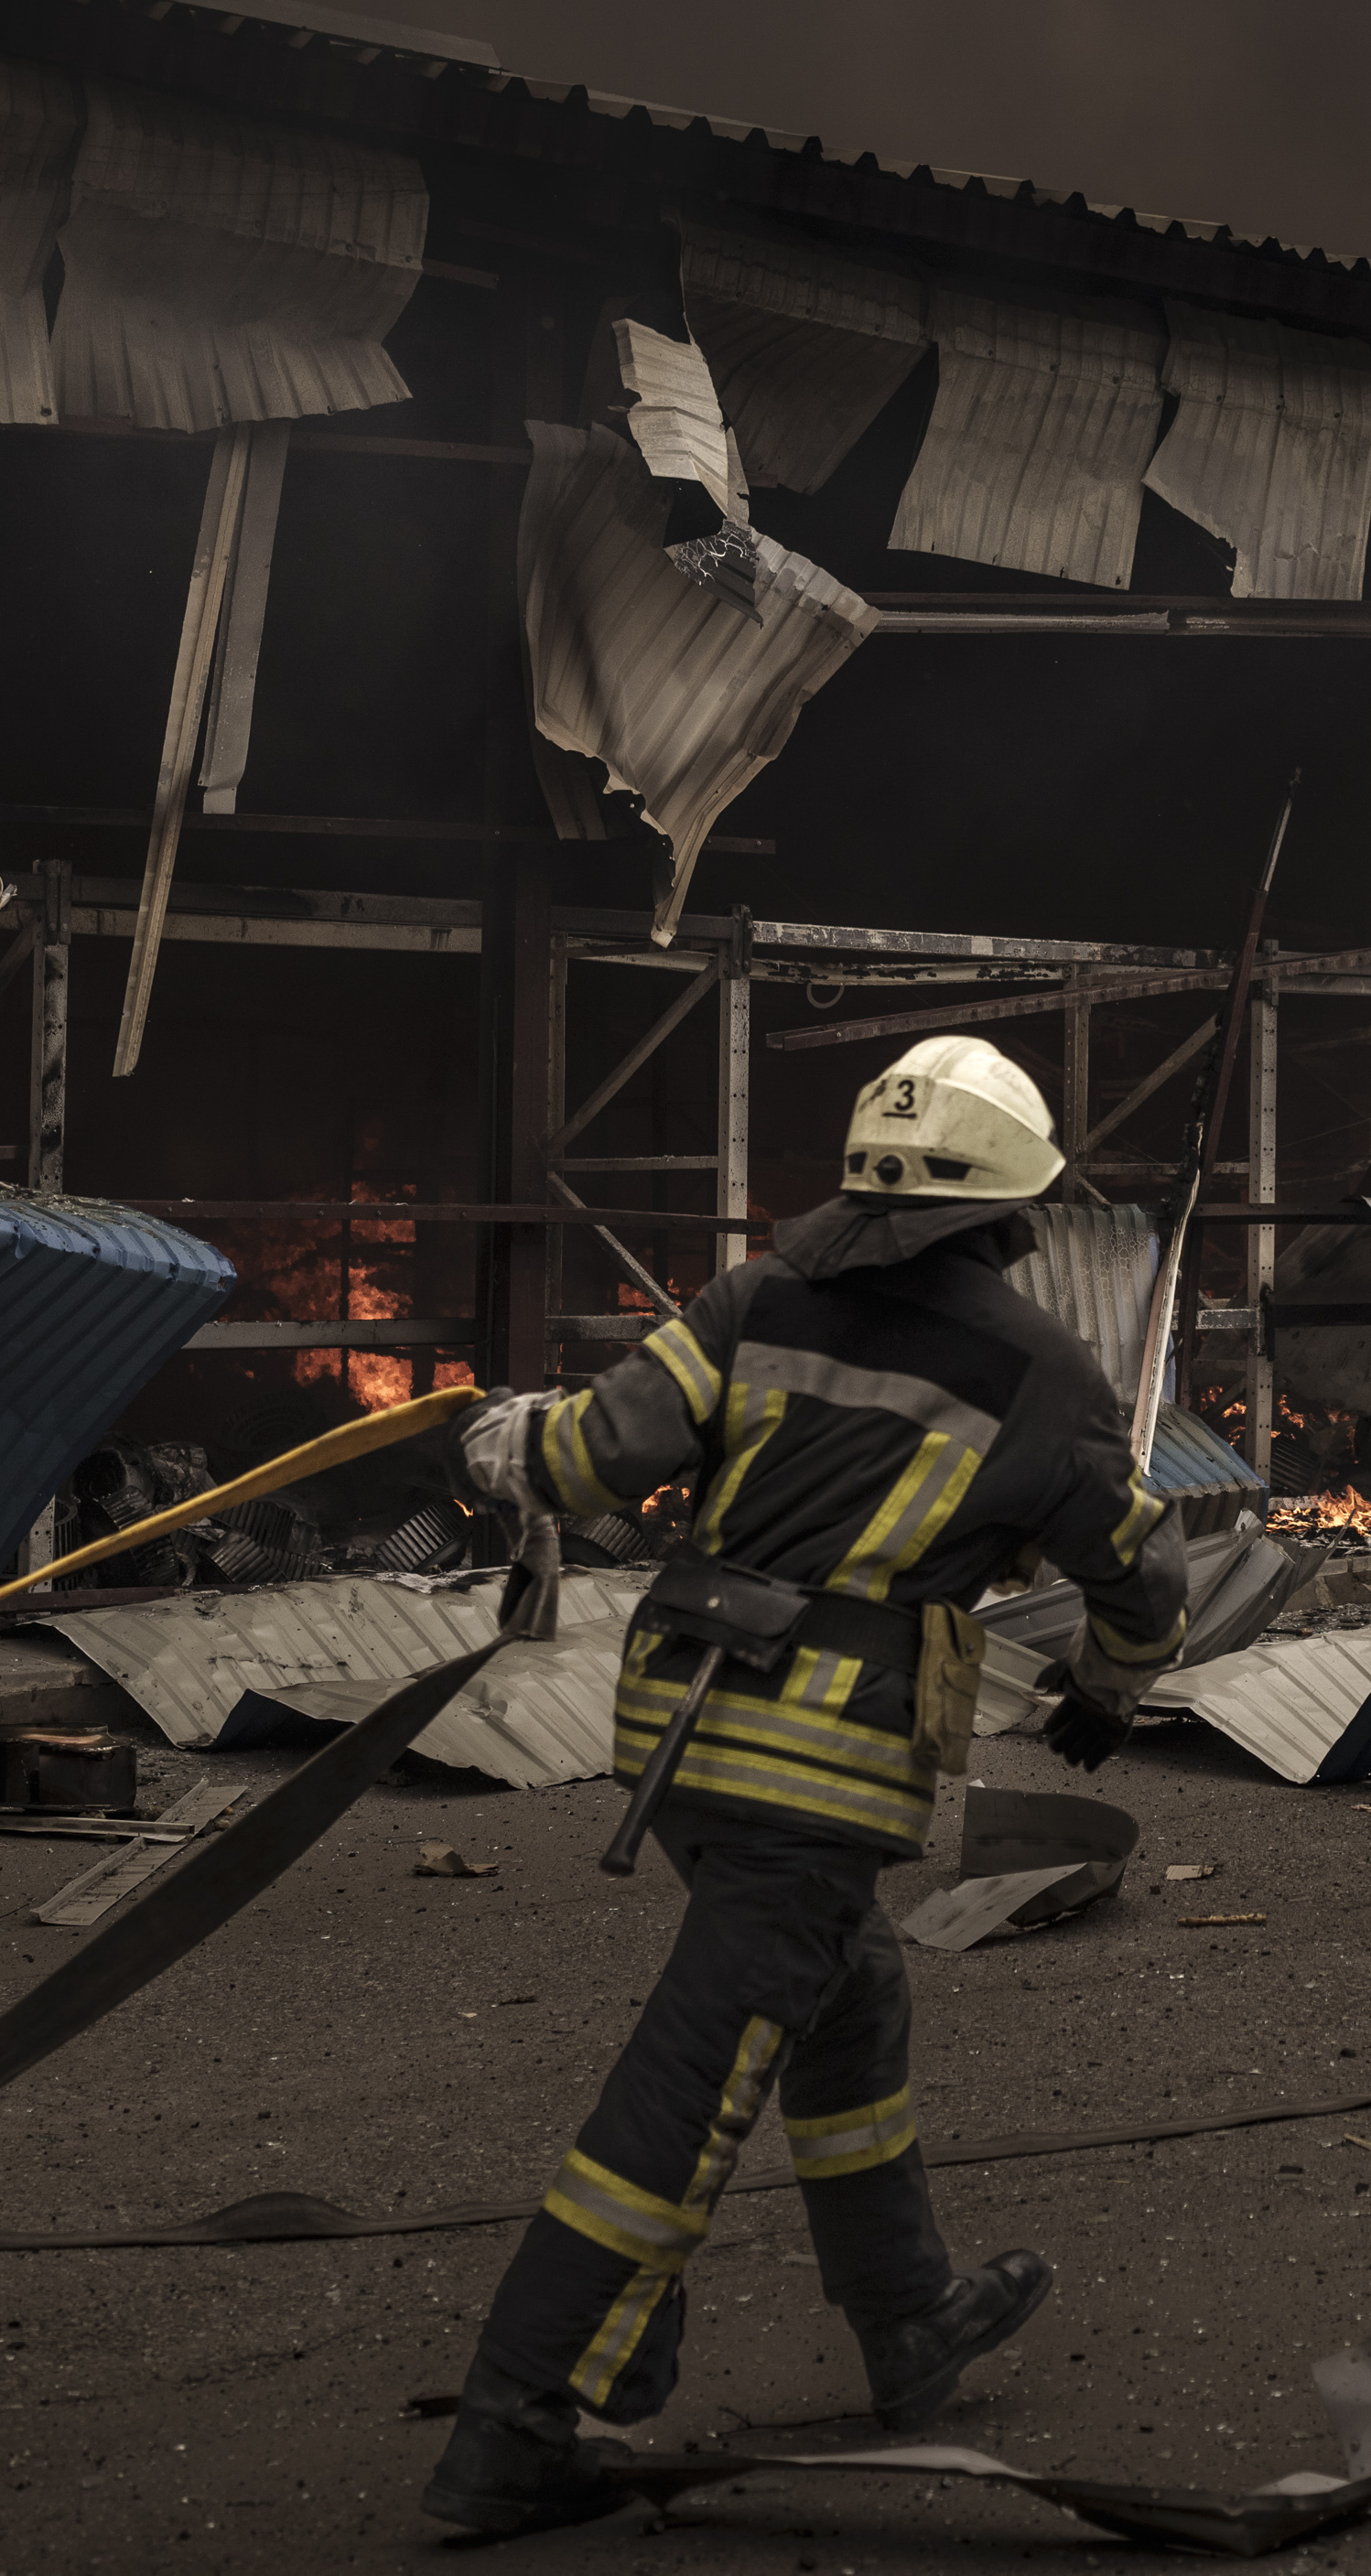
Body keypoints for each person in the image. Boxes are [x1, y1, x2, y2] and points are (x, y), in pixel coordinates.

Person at [419, 1035, 1187, 2539]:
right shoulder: (1042, 1370)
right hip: (821, 1774)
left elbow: (597, 1453)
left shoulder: (758, 1296)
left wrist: (498, 1435)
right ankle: (518, 2414)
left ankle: (908, 2314)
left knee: (855, 1993)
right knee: (689, 2087)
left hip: (680, 1739)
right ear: (1007, 1212)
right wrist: (1109, 1688)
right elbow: (1140, 1568)